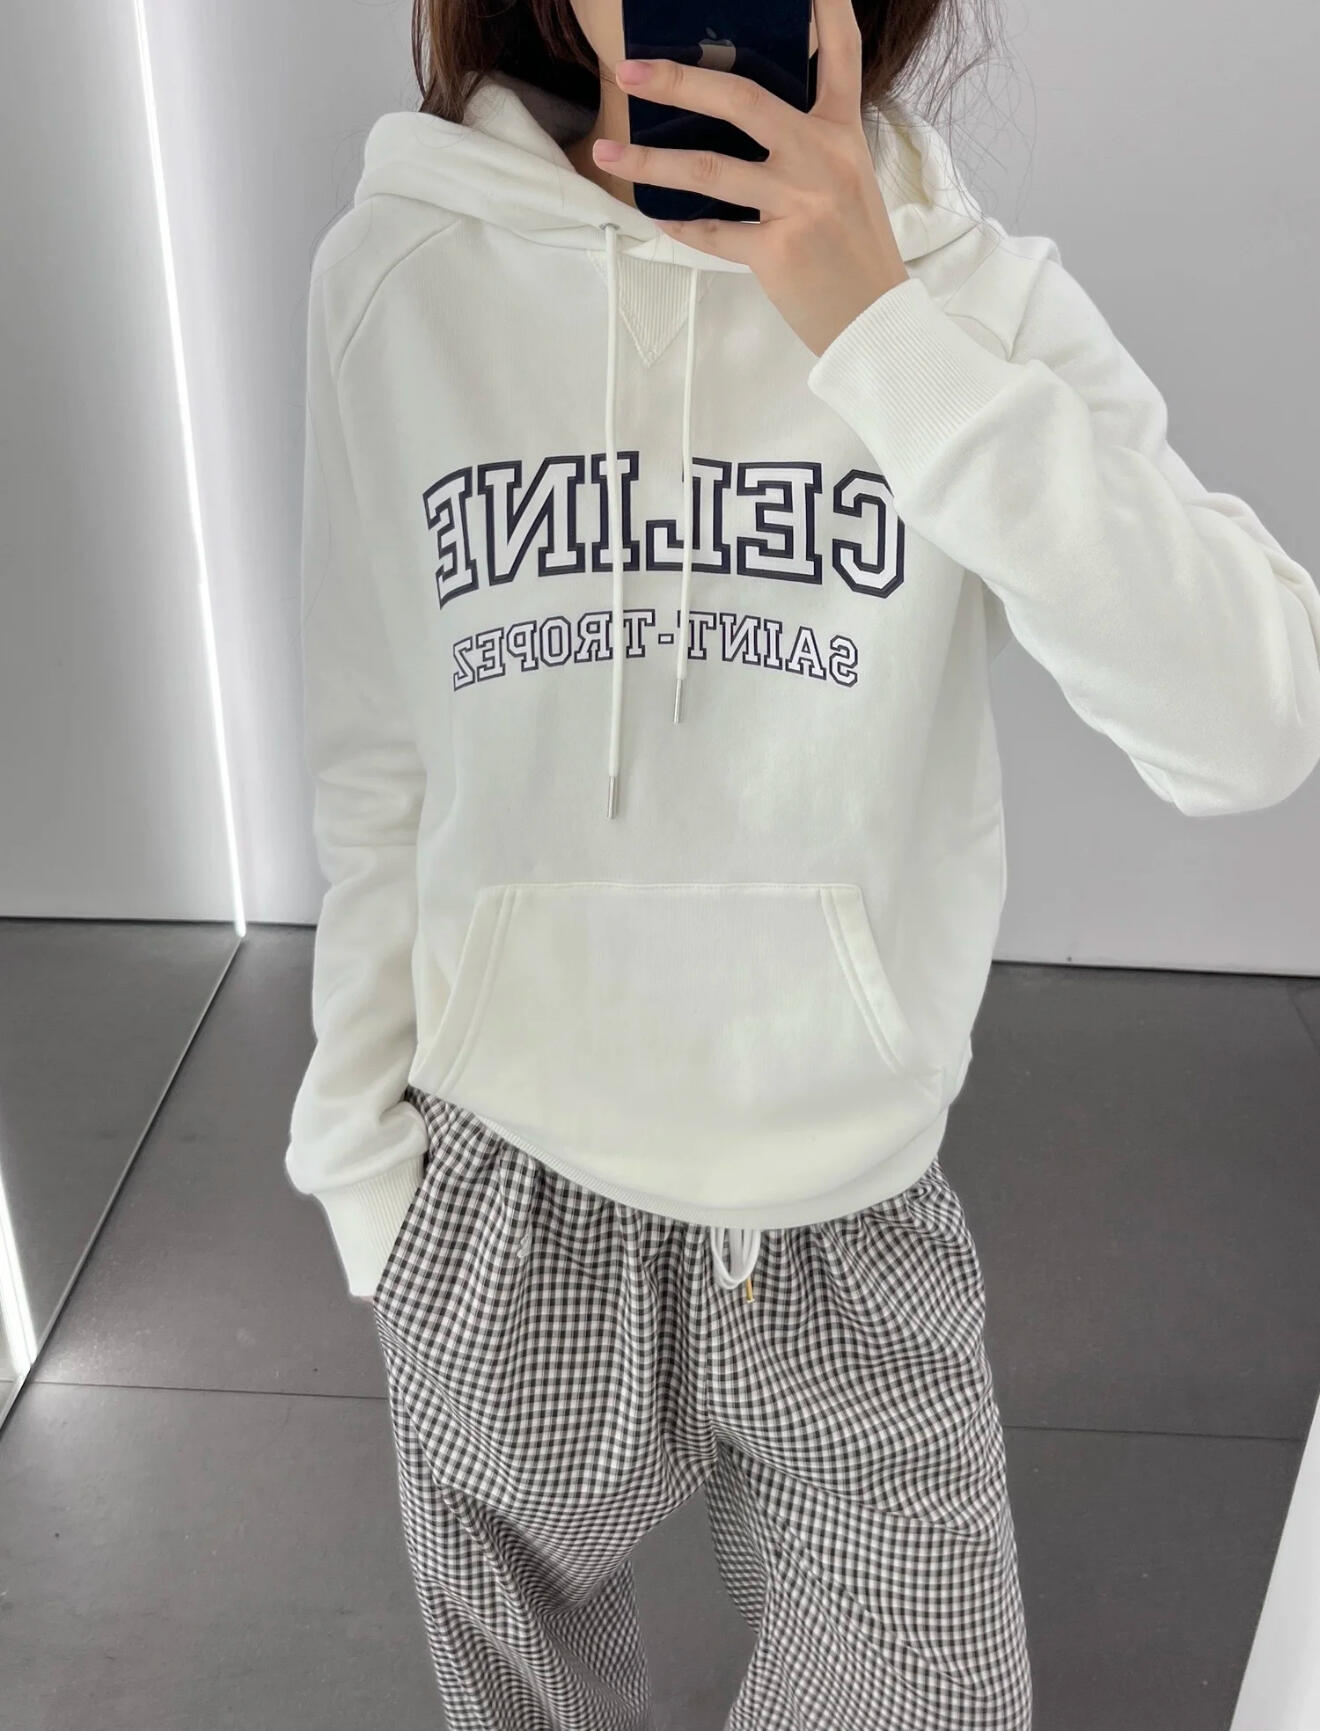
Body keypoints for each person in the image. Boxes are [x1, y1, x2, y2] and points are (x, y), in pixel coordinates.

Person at [283, 0, 1320, 1725]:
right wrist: (362, 1184)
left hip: (845, 1208)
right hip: (505, 1193)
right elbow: (375, 749)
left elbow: (1255, 723)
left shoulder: (963, 298)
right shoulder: (402, 274)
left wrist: (881, 328)